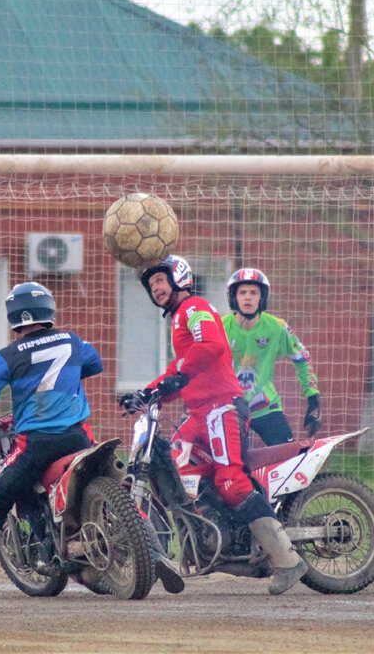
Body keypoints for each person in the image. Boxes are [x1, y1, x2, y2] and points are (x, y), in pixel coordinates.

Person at [0, 282, 184, 596]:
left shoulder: (6, 356)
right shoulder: (71, 341)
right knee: (121, 487)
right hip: (79, 438)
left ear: (13, 317)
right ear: (48, 310)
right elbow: (95, 363)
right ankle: (155, 552)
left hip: (36, 444)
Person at [136, 255, 307, 595]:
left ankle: (287, 560)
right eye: (151, 283)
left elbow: (211, 346)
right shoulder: (176, 321)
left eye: (160, 280)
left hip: (222, 407)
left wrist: (173, 378)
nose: (155, 287)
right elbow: (180, 372)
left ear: (179, 278)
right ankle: (206, 538)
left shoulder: (194, 308)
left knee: (231, 481)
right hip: (199, 412)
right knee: (174, 466)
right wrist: (147, 393)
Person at [222, 268, 321, 446]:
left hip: (264, 404)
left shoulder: (277, 327)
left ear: (263, 298)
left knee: (289, 456)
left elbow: (302, 357)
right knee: (234, 462)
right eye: (242, 292)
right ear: (233, 297)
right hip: (229, 408)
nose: (247, 297)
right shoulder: (219, 327)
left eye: (254, 292)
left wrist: (312, 398)